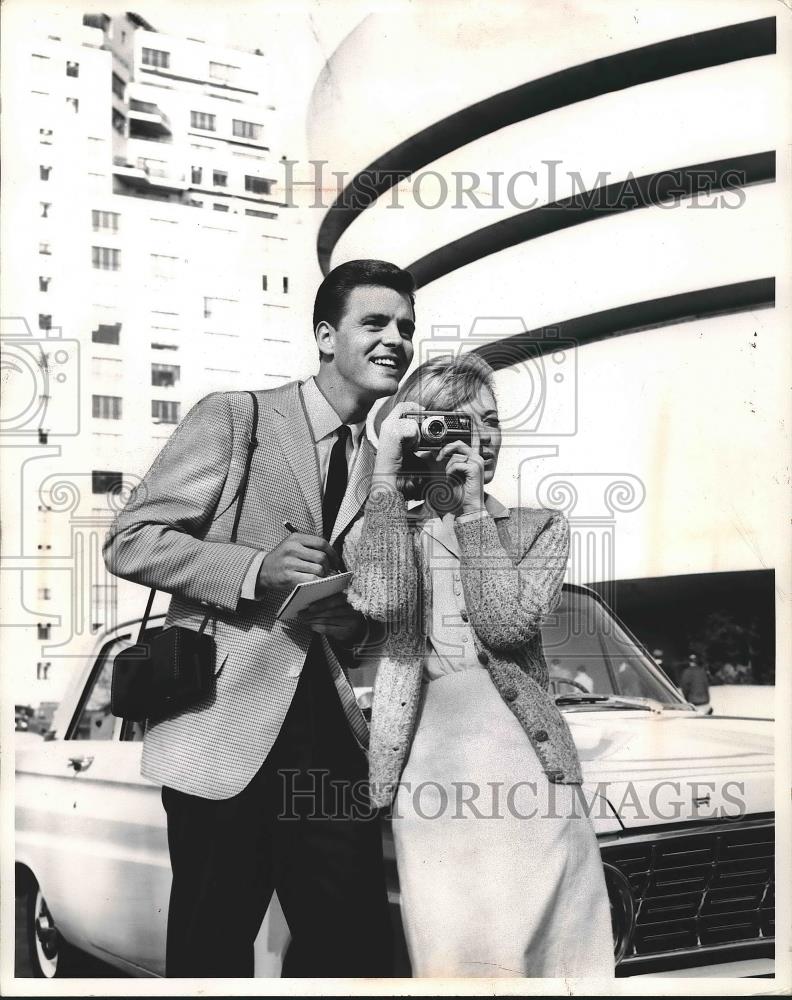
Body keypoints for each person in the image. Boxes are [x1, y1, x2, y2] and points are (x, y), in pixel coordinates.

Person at [103, 259, 417, 978]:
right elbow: (129, 541)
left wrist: (353, 627)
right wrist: (254, 569)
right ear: (325, 334)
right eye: (376, 322)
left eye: (406, 327)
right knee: (209, 957)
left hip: (333, 745)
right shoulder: (236, 416)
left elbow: (376, 613)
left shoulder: (383, 465)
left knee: (355, 957)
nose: (396, 338)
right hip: (223, 734)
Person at [343, 353, 614, 978]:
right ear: (420, 435)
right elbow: (381, 600)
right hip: (427, 761)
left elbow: (505, 625)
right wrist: (384, 478)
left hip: (526, 755)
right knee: (455, 953)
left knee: (552, 949)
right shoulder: (386, 529)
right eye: (458, 424)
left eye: (490, 421)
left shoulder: (539, 526)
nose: (483, 438)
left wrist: (470, 515)